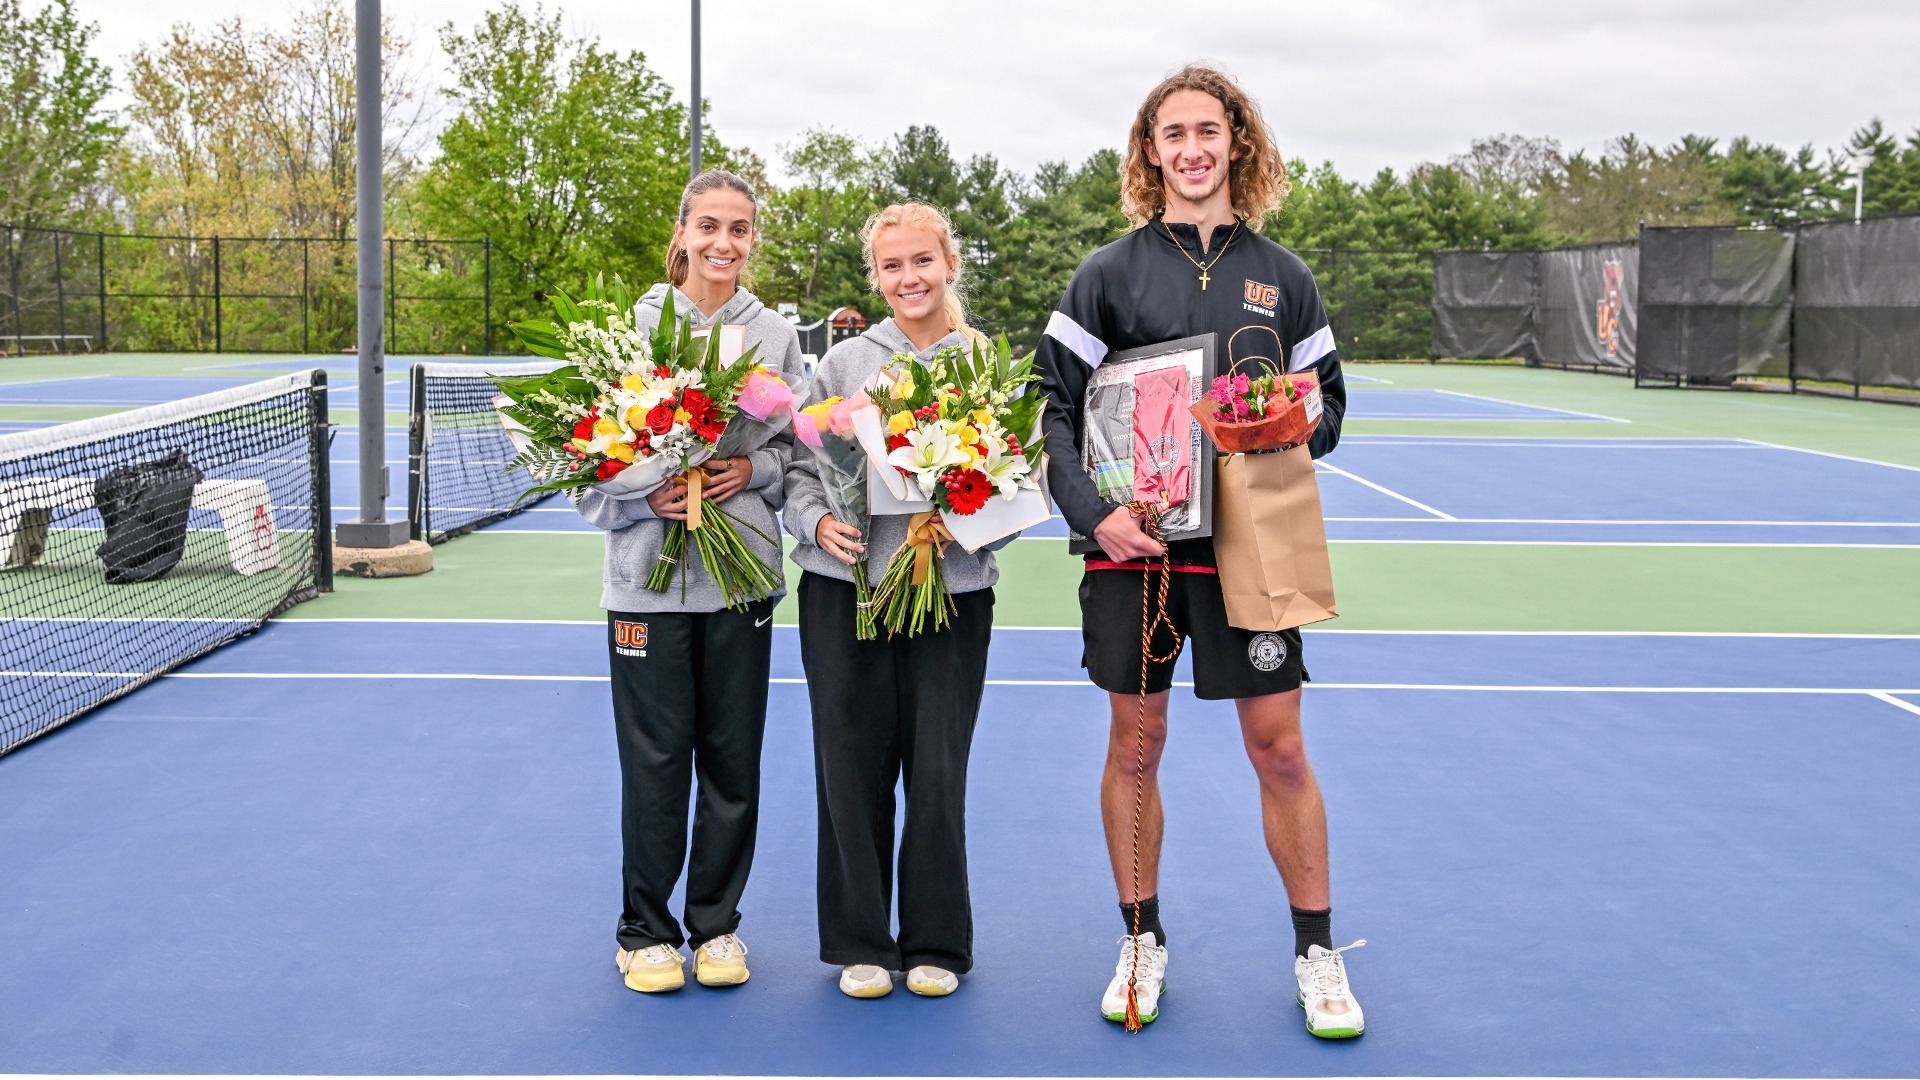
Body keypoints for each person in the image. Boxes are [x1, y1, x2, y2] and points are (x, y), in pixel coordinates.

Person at [1032, 65, 1364, 1037]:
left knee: (1280, 749)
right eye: (1172, 134)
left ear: (1237, 142)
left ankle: (1317, 952)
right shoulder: (1106, 273)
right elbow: (1051, 408)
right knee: (1136, 747)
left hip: (1250, 549)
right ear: (1150, 151)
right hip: (1132, 549)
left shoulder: (1284, 277)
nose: (1191, 149)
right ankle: (1142, 939)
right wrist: (1096, 514)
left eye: (1207, 131)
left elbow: (1329, 411)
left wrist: (1282, 419)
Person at [576, 169, 807, 994]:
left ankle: (716, 928)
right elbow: (584, 466)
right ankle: (644, 931)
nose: (723, 242)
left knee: (732, 762)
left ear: (752, 240)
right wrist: (645, 498)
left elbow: (795, 451)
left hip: (741, 583)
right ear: (681, 233)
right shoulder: (631, 332)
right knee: (655, 763)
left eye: (739, 228)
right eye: (708, 225)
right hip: (646, 584)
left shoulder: (774, 336)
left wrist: (751, 468)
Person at [784, 202, 1007, 1000]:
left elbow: (1018, 478)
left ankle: (936, 941)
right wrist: (815, 522)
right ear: (875, 276)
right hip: (845, 592)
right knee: (850, 769)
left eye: (922, 261)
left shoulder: (983, 362)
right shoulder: (844, 362)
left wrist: (966, 521)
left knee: (939, 772)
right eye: (892, 266)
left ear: (950, 264)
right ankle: (861, 942)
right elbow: (801, 465)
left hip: (952, 595)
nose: (909, 278)